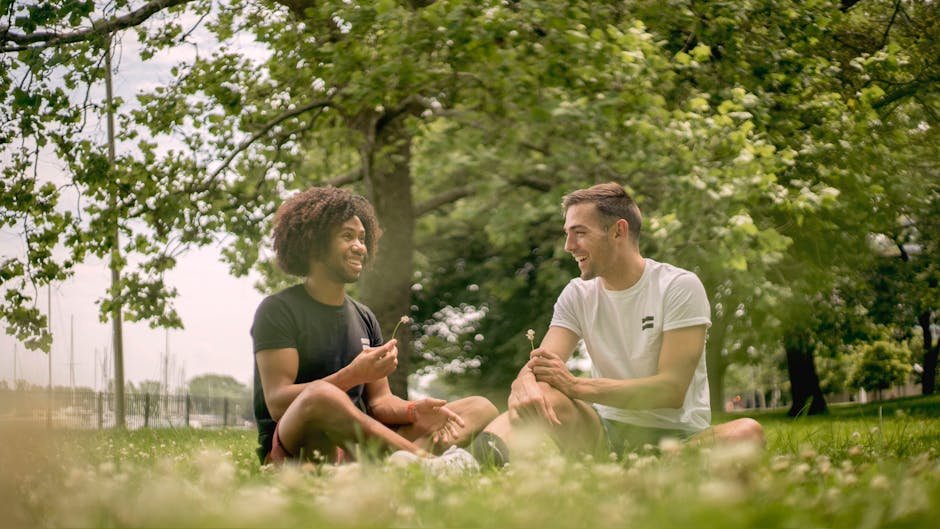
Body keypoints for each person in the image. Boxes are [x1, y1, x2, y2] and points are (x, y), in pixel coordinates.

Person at [470, 182, 763, 465]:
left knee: (745, 431)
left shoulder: (678, 286)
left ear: (618, 231)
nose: (568, 246)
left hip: (680, 437)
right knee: (542, 392)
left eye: (579, 233)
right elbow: (543, 367)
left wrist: (575, 385)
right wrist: (524, 383)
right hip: (605, 432)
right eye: (567, 234)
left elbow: (671, 390)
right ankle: (465, 462)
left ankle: (650, 468)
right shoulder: (577, 293)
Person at [251, 186, 497, 470]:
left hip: (357, 444)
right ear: (315, 243)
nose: (360, 247)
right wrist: (352, 375)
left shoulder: (364, 316)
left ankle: (388, 467)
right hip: (300, 447)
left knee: (478, 407)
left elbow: (379, 401)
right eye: (347, 236)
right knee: (322, 396)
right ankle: (428, 465)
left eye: (362, 238)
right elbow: (278, 403)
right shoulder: (278, 310)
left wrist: (412, 410)